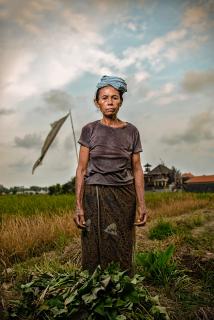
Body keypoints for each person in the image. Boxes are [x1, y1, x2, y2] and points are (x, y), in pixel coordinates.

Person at [74, 75, 147, 276]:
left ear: (121, 101)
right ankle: (94, 286)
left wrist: (142, 204)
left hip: (124, 195)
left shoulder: (131, 131)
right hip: (95, 194)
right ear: (96, 102)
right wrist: (78, 205)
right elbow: (81, 169)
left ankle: (121, 286)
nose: (110, 102)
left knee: (121, 240)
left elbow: (137, 169)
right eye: (105, 97)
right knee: (94, 241)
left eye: (114, 97)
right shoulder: (89, 130)